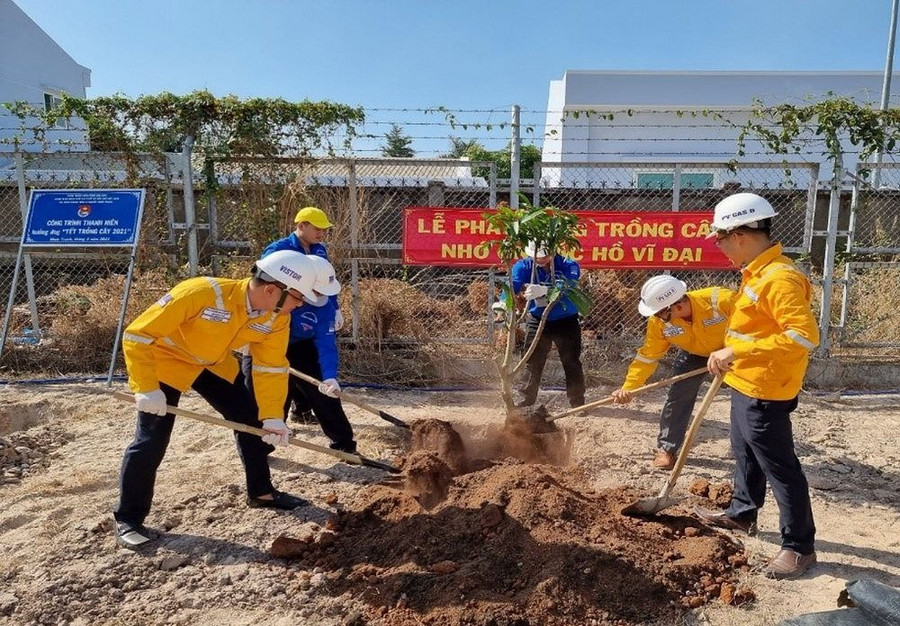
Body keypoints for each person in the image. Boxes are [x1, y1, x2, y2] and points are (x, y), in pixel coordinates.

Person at [114, 250, 318, 549]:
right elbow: (138, 335)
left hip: (211, 364)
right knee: (151, 439)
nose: (300, 305)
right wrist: (145, 387)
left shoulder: (276, 318)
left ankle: (261, 493)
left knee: (250, 418)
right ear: (272, 290)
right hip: (166, 363)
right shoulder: (201, 293)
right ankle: (128, 519)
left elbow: (270, 367)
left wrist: (273, 415)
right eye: (298, 298)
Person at [695, 192, 819, 580]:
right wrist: (734, 356)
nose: (720, 247)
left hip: (767, 388)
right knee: (744, 451)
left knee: (780, 467)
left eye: (720, 239)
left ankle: (800, 547)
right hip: (746, 381)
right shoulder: (757, 272)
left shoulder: (779, 278)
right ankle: (742, 512)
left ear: (741, 235)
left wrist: (738, 348)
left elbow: (803, 337)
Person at [611, 275, 736, 470]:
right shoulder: (659, 323)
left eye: (660, 312)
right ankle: (667, 449)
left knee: (747, 399)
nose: (656, 317)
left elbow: (754, 327)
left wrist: (734, 351)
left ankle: (750, 450)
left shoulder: (721, 300)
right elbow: (648, 357)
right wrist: (629, 388)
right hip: (695, 353)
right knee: (678, 397)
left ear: (676, 305)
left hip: (734, 351)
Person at [242, 254, 357, 454]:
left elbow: (326, 343)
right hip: (263, 346)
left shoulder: (325, 308)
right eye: (316, 292)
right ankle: (261, 449)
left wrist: (330, 375)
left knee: (324, 394)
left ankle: (344, 445)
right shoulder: (276, 299)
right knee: (266, 397)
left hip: (301, 346)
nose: (320, 297)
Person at [263, 206, 344, 423]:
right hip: (283, 318)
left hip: (310, 318)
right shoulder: (279, 250)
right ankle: (275, 423)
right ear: (301, 226)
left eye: (324, 230)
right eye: (317, 229)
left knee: (308, 362)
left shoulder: (319, 250)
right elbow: (266, 285)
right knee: (284, 376)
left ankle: (302, 411)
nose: (321, 234)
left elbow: (325, 282)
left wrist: (334, 308)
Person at [510, 241, 585, 408]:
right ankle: (525, 402)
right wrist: (503, 303)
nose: (541, 260)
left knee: (571, 361)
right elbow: (512, 284)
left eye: (545, 257)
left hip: (566, 320)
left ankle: (577, 403)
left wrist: (546, 290)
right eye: (537, 256)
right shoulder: (523, 266)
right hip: (537, 319)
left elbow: (569, 284)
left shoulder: (568, 264)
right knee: (532, 360)